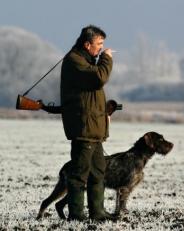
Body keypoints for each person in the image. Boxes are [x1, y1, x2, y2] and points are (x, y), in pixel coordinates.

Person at [59, 25, 114, 221]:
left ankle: (97, 212)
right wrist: (106, 59)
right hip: (84, 129)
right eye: (99, 44)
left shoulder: (85, 61)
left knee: (98, 173)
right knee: (79, 175)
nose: (101, 48)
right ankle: (76, 215)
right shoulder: (75, 61)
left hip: (94, 130)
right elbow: (100, 77)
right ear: (87, 44)